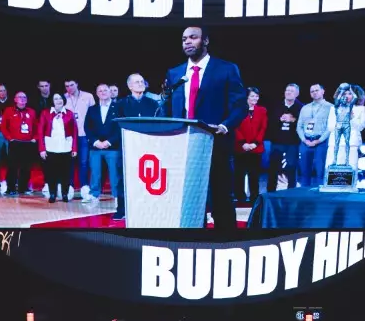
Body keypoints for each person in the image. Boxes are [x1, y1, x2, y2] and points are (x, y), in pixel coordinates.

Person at [164, 24, 250, 231]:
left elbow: (240, 106)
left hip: (215, 144)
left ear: (206, 41)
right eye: (184, 38)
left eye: (193, 37)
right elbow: (168, 109)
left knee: (220, 197)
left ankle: (226, 241)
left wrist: (224, 126)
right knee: (188, 198)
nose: (187, 42)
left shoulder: (227, 69)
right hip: (182, 147)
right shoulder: (175, 73)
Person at [113, 73, 162, 219]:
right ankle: (122, 209)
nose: (140, 84)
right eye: (137, 82)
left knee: (149, 177)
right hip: (128, 147)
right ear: (129, 86)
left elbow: (158, 124)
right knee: (124, 177)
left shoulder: (153, 104)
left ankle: (149, 206)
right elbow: (117, 125)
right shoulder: (121, 104)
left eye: (142, 81)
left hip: (149, 147)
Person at [82, 82, 121, 203]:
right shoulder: (92, 109)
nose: (103, 93)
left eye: (105, 90)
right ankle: (94, 194)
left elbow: (120, 127)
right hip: (96, 147)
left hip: (112, 147)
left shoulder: (118, 108)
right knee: (95, 172)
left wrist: (109, 142)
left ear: (110, 92)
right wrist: (95, 142)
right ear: (96, 94)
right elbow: (87, 127)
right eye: (100, 91)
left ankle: (117, 196)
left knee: (114, 174)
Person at [38, 92, 80, 202]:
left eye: (60, 98)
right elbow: (40, 132)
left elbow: (75, 132)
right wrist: (42, 149)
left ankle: (65, 194)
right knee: (52, 173)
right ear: (52, 101)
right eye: (55, 98)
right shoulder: (45, 113)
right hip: (51, 147)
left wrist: (74, 148)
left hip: (66, 147)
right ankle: (52, 194)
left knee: (65, 173)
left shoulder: (70, 113)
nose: (58, 100)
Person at [0, 91, 40, 197]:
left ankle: (23, 187)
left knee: (26, 167)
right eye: (19, 97)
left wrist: (35, 138)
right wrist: (9, 138)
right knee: (12, 166)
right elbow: (3, 126)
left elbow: (36, 127)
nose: (22, 99)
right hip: (15, 143)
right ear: (15, 99)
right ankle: (10, 188)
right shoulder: (8, 111)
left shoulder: (31, 112)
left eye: (24, 97)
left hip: (28, 143)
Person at [234, 85, 270, 203]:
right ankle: (240, 197)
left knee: (254, 175)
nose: (255, 98)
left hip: (256, 148)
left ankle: (254, 197)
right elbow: (236, 127)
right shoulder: (239, 109)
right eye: (252, 96)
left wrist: (255, 143)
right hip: (241, 147)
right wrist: (243, 143)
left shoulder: (262, 110)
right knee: (239, 174)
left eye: (257, 96)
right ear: (247, 97)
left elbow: (263, 128)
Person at [62, 78, 95, 197]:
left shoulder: (88, 96)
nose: (69, 88)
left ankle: (84, 186)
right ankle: (69, 186)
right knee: (69, 162)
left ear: (77, 84)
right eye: (66, 86)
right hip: (69, 136)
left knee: (84, 162)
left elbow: (93, 115)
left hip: (84, 135)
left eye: (71, 85)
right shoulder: (63, 97)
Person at [267, 81, 303, 191]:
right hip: (277, 142)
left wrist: (293, 120)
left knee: (291, 168)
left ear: (297, 94)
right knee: (273, 168)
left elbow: (304, 124)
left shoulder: (301, 107)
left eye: (291, 91)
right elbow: (269, 122)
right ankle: (271, 192)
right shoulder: (276, 105)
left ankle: (291, 192)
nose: (288, 93)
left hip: (292, 143)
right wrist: (279, 119)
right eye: (287, 90)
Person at [297, 82, 332, 188]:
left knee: (320, 171)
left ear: (323, 91)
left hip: (321, 142)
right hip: (306, 142)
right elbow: (299, 127)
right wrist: (304, 140)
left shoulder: (330, 107)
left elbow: (330, 127)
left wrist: (319, 140)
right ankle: (304, 195)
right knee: (304, 171)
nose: (314, 93)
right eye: (312, 91)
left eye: (316, 90)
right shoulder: (305, 108)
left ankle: (319, 197)